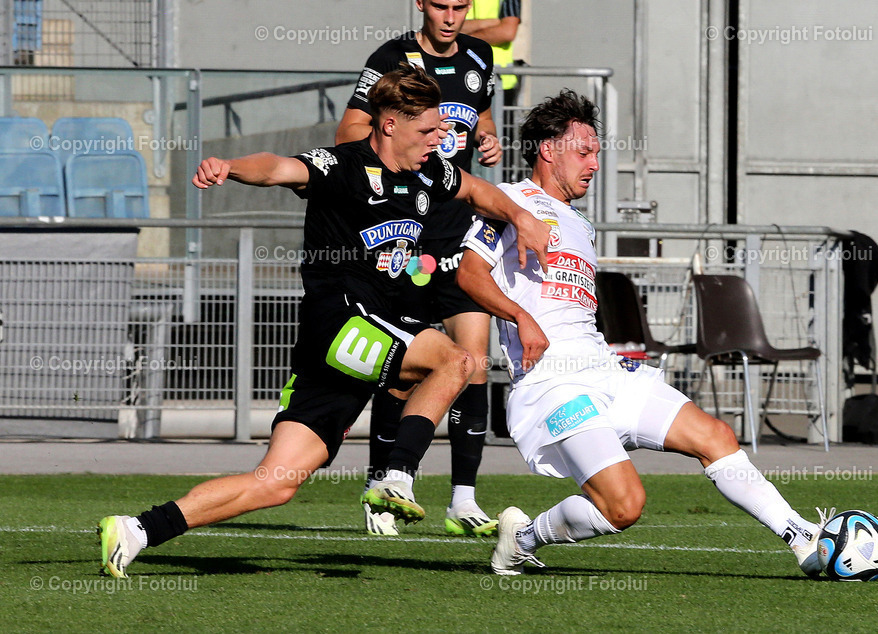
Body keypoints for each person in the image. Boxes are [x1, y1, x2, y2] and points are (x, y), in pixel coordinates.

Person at [96, 65, 550, 579]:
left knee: (275, 482)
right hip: (341, 321)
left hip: (355, 339)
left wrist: (522, 217)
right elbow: (278, 168)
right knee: (458, 360)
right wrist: (230, 166)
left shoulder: (430, 172)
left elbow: (477, 191)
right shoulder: (344, 165)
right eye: (427, 129)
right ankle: (395, 476)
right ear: (389, 124)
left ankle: (136, 530)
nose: (438, 140)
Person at [456, 89, 830, 577]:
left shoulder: (580, 223)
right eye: (584, 152)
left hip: (605, 370)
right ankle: (523, 539)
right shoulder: (510, 203)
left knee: (715, 435)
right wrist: (520, 316)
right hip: (553, 383)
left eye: (596, 152)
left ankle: (802, 536)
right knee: (624, 506)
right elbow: (469, 275)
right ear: (548, 149)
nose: (594, 164)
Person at [336, 0, 503, 537]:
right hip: (406, 235)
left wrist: (487, 137)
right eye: (440, 6)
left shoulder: (480, 56)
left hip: (459, 233)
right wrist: (399, 159)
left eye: (460, 6)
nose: (451, 17)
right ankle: (381, 487)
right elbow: (349, 132)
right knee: (401, 373)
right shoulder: (391, 57)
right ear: (421, 5)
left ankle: (464, 499)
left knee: (475, 361)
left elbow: (480, 114)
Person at [463, 0, 522, 106]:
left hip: (500, 81)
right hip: (462, 75)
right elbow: (447, 25)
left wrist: (461, 38)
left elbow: (507, 32)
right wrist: (490, 22)